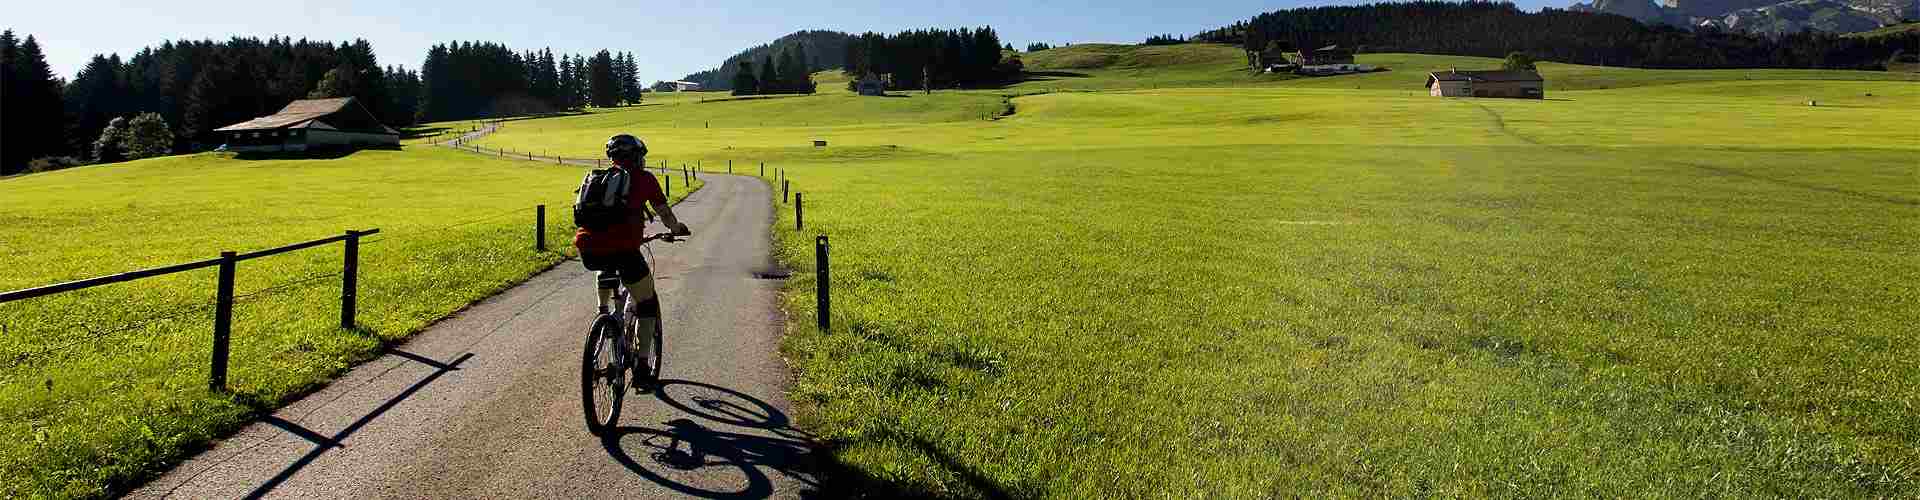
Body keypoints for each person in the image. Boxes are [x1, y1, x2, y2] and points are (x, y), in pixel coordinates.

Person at [575, 134, 690, 379]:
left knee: (605, 265)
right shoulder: (644, 179)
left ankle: (603, 311)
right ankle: (641, 364)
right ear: (638, 157)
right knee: (646, 301)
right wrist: (676, 228)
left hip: (589, 249)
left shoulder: (597, 178)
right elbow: (665, 215)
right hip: (625, 250)